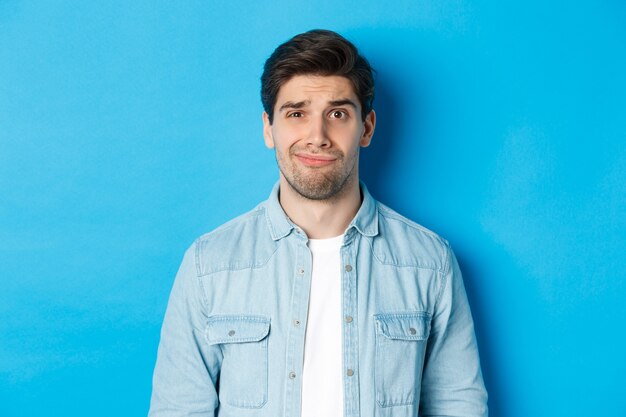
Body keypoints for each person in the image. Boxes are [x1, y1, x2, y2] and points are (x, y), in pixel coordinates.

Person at [148, 29, 488, 417]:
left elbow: (458, 406)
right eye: (296, 113)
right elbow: (178, 410)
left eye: (338, 114)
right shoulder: (209, 265)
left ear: (367, 127)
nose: (317, 136)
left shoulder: (429, 263)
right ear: (268, 128)